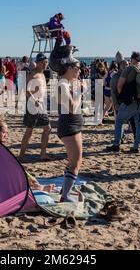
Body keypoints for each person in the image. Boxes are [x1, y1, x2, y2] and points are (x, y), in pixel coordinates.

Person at [0, 119, 56, 192]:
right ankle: (36, 187)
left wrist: (29, 176)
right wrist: (29, 177)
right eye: (4, 133)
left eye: (7, 133)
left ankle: (36, 186)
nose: (6, 135)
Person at [107, 52, 140, 153]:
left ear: (132, 59)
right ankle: (136, 146)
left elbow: (119, 85)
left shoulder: (129, 69)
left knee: (119, 121)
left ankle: (116, 144)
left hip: (131, 101)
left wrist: (122, 98)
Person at [56, 57, 83, 202]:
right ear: (69, 68)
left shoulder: (66, 84)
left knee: (75, 161)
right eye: (77, 68)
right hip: (69, 126)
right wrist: (80, 94)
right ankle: (65, 196)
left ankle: (65, 190)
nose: (79, 71)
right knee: (75, 163)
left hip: (72, 126)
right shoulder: (63, 85)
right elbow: (72, 107)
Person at [18, 53, 52, 163]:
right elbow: (26, 89)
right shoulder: (33, 74)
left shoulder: (42, 74)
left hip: (40, 105)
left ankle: (42, 154)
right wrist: (34, 100)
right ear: (38, 63)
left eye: (46, 62)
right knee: (32, 129)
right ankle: (23, 155)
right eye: (43, 62)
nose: (45, 64)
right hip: (33, 105)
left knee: (44, 129)